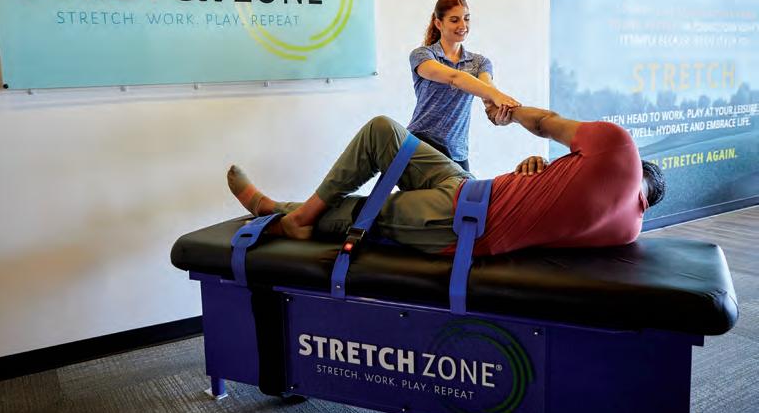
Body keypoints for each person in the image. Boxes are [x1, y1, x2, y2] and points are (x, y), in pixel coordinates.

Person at [226, 106, 666, 256]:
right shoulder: (627, 231)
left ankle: (284, 215)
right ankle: (297, 214)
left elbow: (545, 122)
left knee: (362, 209)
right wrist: (539, 169)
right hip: (469, 187)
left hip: (456, 225)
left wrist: (509, 112)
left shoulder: (618, 147)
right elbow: (554, 213)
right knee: (384, 131)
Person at [406, 0, 520, 171]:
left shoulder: (479, 63)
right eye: (454, 20)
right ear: (438, 23)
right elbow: (455, 78)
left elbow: (488, 93)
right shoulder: (423, 55)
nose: (463, 26)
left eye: (466, 19)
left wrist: (499, 115)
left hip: (457, 153)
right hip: (420, 145)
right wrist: (496, 95)